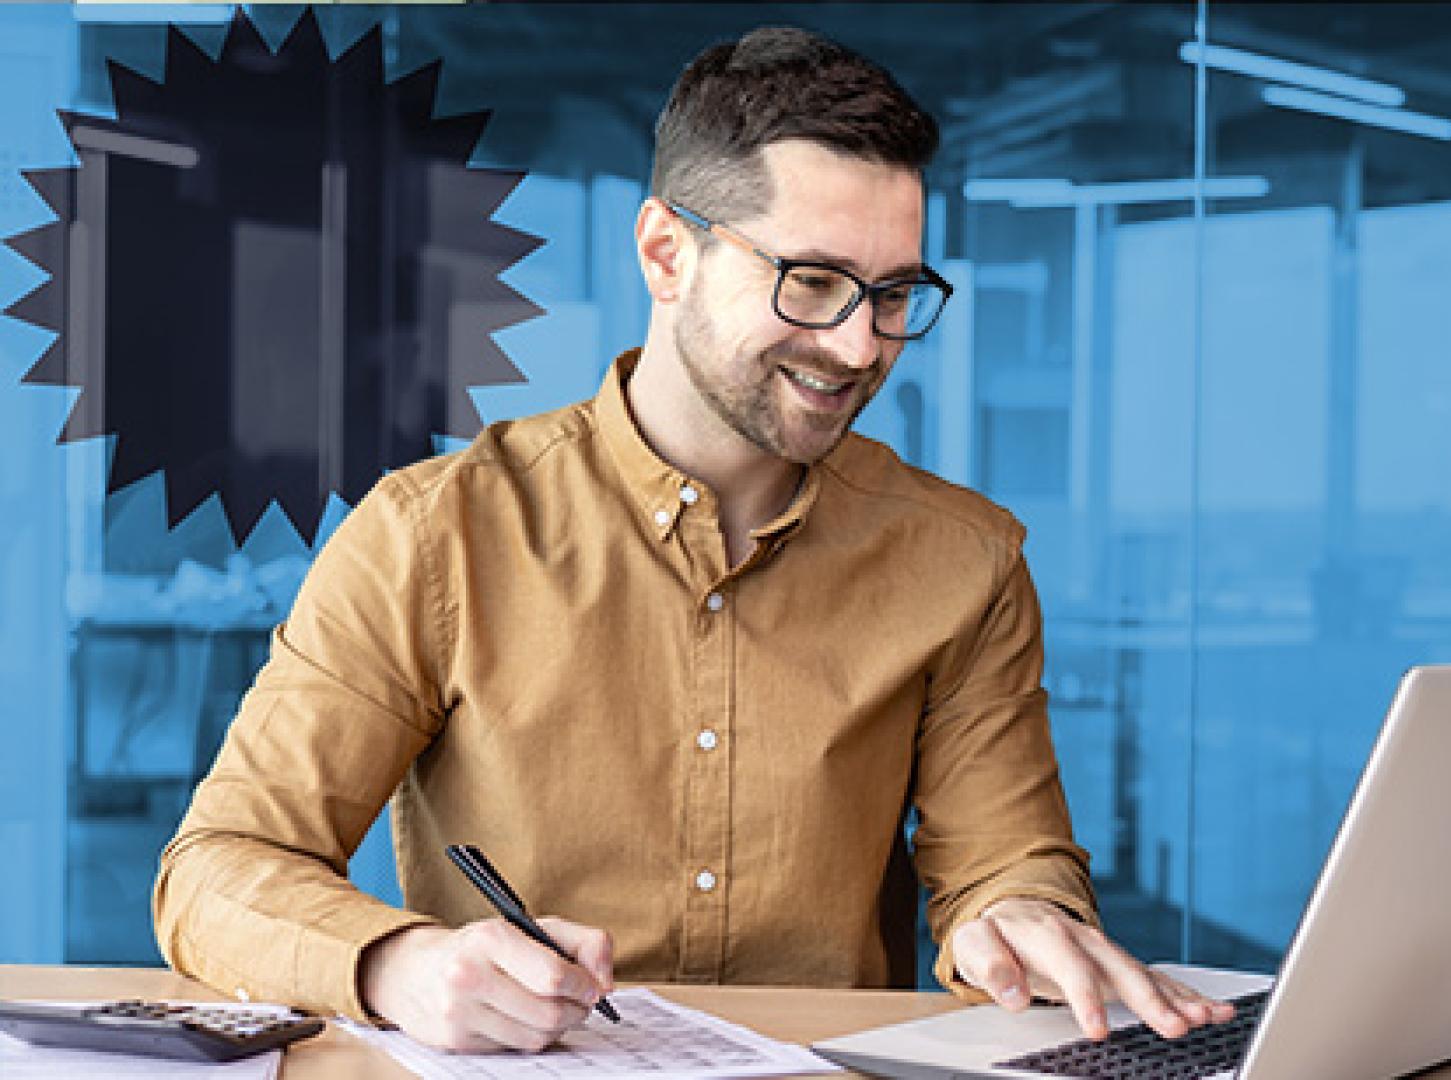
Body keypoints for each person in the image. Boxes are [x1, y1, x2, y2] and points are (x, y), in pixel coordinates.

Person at [153, 25, 1232, 1054]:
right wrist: (401, 963)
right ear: (668, 252)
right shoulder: (436, 534)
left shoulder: (965, 557)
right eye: (811, 281)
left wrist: (1017, 913)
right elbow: (217, 869)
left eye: (894, 293)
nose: (859, 344)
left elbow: (1008, 855)